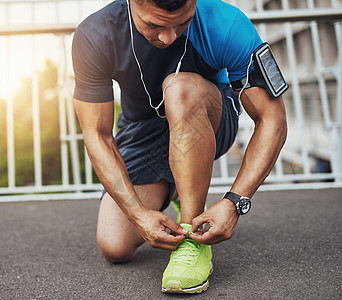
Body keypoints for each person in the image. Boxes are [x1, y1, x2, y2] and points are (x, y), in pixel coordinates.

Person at [72, 0, 287, 294]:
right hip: (143, 130)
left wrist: (235, 202)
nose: (168, 37)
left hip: (207, 114)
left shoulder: (226, 23)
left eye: (181, 23)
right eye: (154, 25)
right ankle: (176, 190)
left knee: (180, 89)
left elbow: (272, 119)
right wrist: (137, 214)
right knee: (115, 245)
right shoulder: (95, 34)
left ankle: (191, 234)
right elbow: (97, 134)